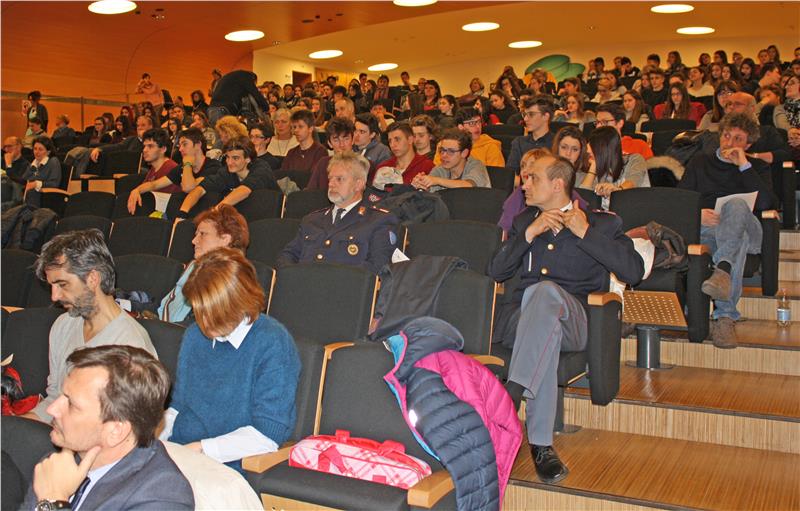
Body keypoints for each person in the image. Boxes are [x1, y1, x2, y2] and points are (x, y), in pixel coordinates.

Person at [489, 154, 643, 484]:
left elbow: (634, 271)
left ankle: (513, 392)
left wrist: (586, 233)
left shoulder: (601, 224)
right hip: (522, 322)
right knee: (546, 330)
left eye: (533, 178)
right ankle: (540, 445)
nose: (524, 184)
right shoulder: (524, 221)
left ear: (558, 184)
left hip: (577, 322)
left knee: (545, 294)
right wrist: (529, 234)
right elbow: (496, 271)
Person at [161, 248, 300, 473]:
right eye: (199, 310)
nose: (204, 320)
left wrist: (200, 449)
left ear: (239, 302)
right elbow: (178, 406)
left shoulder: (273, 342)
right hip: (182, 454)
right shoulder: (194, 336)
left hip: (229, 464)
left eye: (212, 311)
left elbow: (268, 434)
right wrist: (152, 437)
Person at [20, 345, 193, 510]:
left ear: (116, 431)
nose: (52, 409)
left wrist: (53, 501)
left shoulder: (164, 496)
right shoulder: (59, 462)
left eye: (71, 404)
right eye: (62, 395)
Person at [27, 230, 156, 422]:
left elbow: (124, 427)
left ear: (93, 279)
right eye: (52, 286)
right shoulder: (63, 325)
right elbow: (55, 398)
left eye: (62, 284)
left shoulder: (131, 344)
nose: (54, 296)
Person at [678, 113, 777, 348]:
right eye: (726, 136)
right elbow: (681, 200)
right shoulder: (700, 162)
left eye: (738, 139)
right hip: (710, 230)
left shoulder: (757, 167)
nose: (729, 143)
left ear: (748, 144)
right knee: (737, 240)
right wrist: (697, 213)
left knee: (737, 205)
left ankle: (722, 271)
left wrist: (744, 166)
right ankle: (725, 316)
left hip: (750, 228)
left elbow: (767, 204)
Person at [278, 152, 398, 273]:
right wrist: (293, 276)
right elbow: (288, 256)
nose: (331, 184)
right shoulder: (311, 220)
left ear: (358, 184)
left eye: (339, 179)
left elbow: (377, 267)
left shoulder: (378, 221)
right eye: (330, 178)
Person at [160, 205, 248, 324]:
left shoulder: (233, 277)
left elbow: (210, 324)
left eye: (202, 234)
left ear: (225, 239)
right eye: (196, 234)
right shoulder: (194, 266)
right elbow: (168, 304)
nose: (194, 241)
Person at [127, 128, 221, 214]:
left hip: (205, 213)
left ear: (198, 144)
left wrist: (187, 164)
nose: (180, 149)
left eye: (184, 144)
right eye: (179, 145)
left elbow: (188, 187)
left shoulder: (213, 166)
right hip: (186, 212)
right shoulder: (181, 167)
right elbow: (154, 184)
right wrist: (137, 190)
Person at [177, 137, 278, 217]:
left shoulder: (261, 168)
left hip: (270, 215)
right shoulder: (226, 171)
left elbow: (244, 190)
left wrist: (214, 212)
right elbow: (200, 189)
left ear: (248, 159)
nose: (229, 162)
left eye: (235, 158)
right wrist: (182, 213)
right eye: (227, 157)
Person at [578, 126, 650, 209]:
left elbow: (633, 181)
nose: (588, 150)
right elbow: (583, 198)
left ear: (604, 149)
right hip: (606, 215)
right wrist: (593, 168)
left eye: (592, 145)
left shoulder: (635, 159)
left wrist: (617, 190)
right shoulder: (596, 169)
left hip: (634, 211)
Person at [412, 129, 490, 193]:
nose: (444, 155)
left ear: (464, 153)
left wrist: (437, 180)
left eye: (451, 151)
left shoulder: (476, 165)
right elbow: (430, 190)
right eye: (442, 150)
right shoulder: (440, 169)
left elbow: (468, 186)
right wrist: (422, 184)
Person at [370, 122, 434, 188]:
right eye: (390, 141)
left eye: (397, 139)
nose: (392, 145)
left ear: (410, 140)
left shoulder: (426, 166)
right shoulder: (383, 167)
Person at [435, 107, 505, 167]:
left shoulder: (490, 146)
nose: (478, 126)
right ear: (460, 127)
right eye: (472, 123)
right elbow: (438, 170)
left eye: (479, 122)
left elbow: (495, 175)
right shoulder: (445, 145)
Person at [306, 116, 357, 190]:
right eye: (336, 140)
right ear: (329, 143)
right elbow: (310, 191)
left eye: (346, 139)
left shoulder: (363, 165)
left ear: (353, 140)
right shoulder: (323, 164)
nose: (342, 145)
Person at [507, 96, 555, 173]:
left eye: (531, 114)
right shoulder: (519, 142)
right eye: (525, 114)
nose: (525, 119)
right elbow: (510, 174)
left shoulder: (558, 143)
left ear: (545, 116)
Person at [22, 136, 62, 207]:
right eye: (35, 149)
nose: (36, 152)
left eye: (40, 149)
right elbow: (25, 177)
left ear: (48, 152)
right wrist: (33, 166)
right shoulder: (35, 162)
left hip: (47, 196)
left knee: (32, 192)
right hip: (33, 194)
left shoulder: (53, 161)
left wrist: (37, 184)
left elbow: (54, 183)